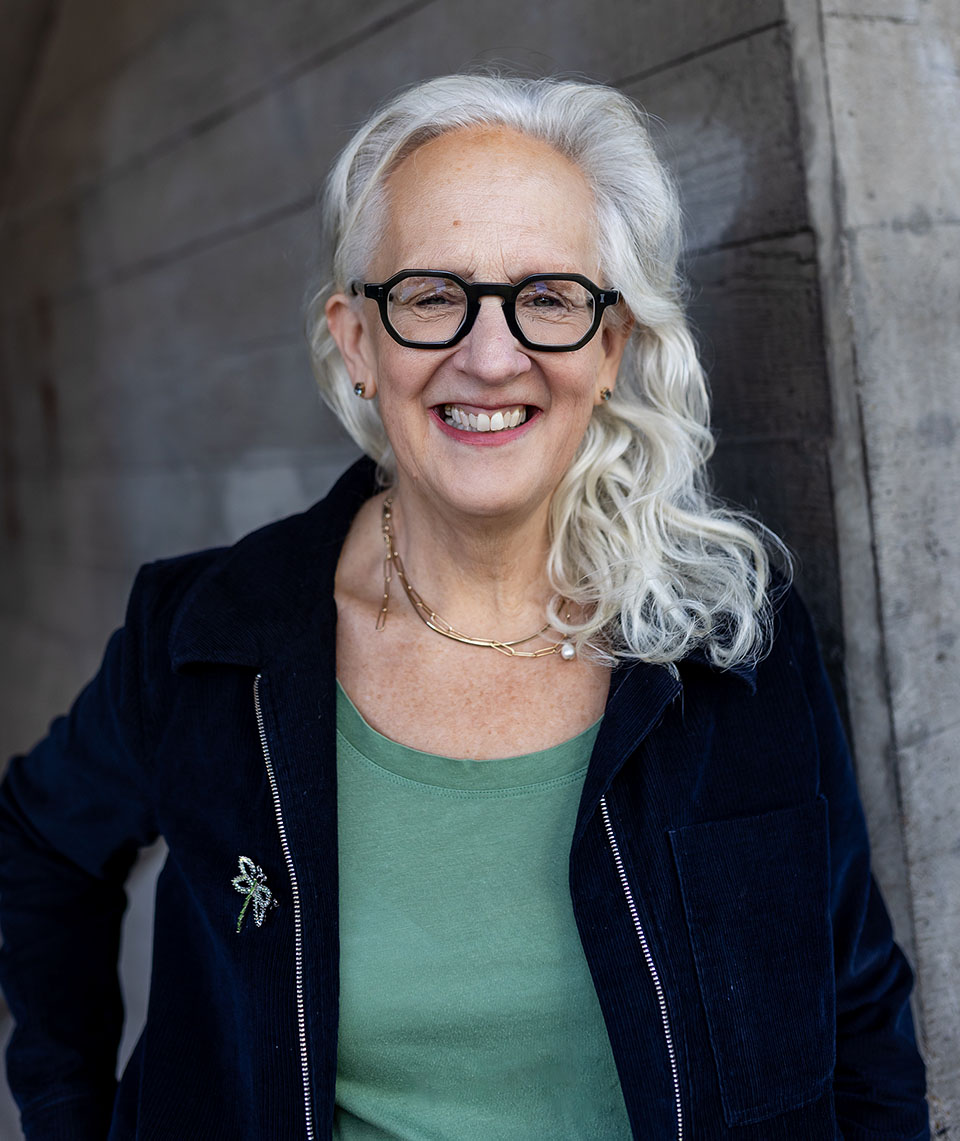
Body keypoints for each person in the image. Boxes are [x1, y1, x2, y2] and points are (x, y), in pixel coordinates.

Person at [0, 74, 928, 1140]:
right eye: (435, 294)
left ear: (610, 344)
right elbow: (38, 845)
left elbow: (860, 1018)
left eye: (548, 297)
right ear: (358, 339)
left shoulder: (731, 637)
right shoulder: (208, 636)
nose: (492, 357)